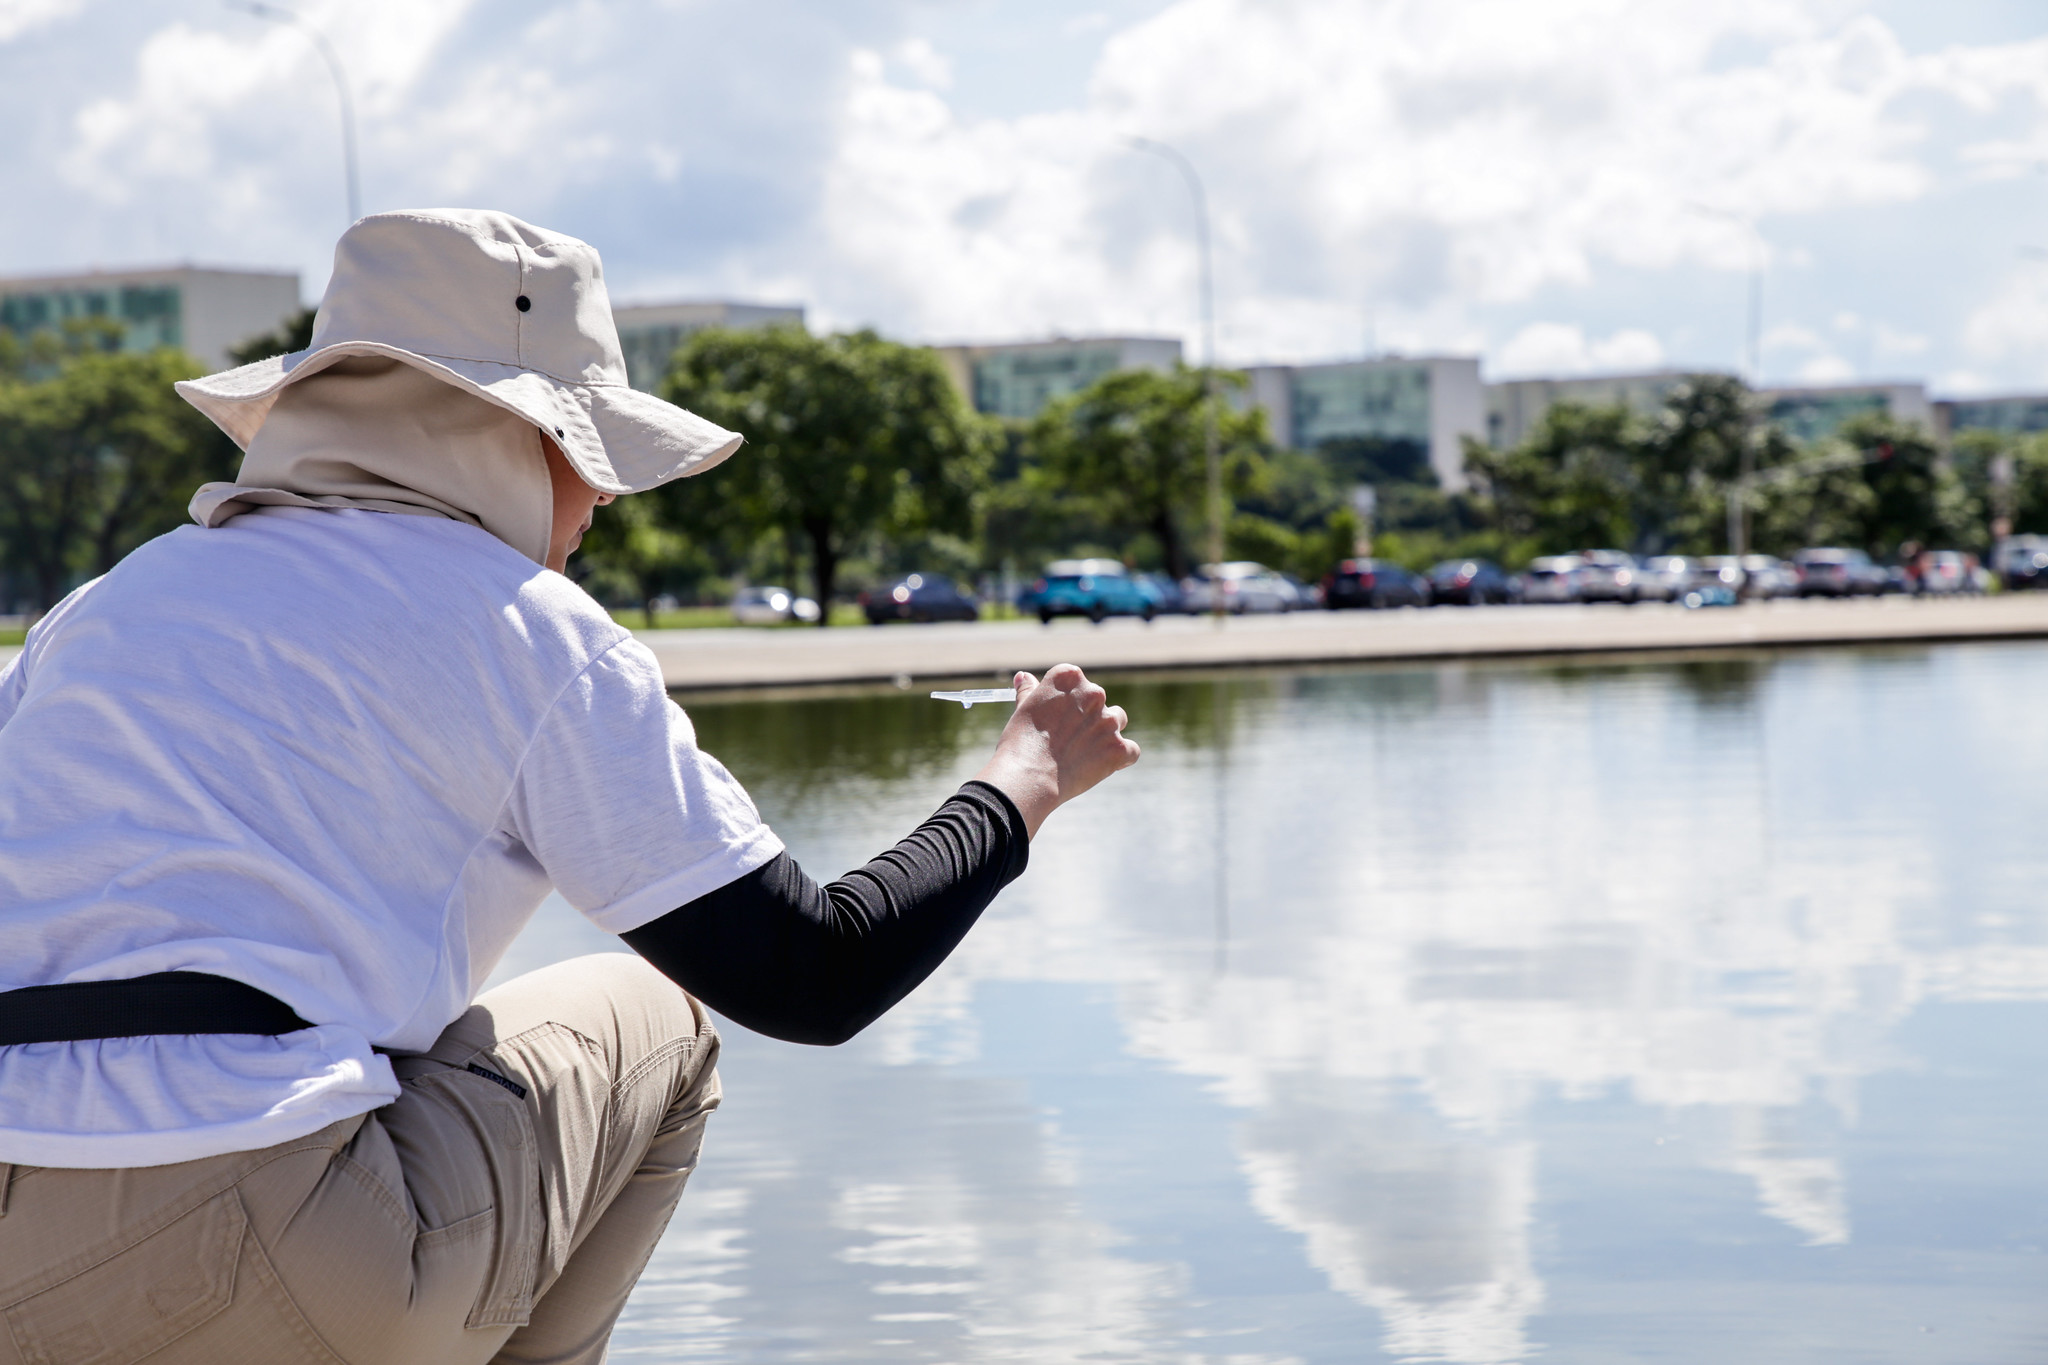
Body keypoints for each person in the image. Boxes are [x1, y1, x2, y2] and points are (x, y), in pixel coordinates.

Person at [0, 209, 1139, 1365]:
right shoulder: (520, 628)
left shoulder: (102, 607)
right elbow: (814, 974)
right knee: (659, 1026)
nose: (599, 507)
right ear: (518, 440)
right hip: (263, 1244)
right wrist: (1023, 778)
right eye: (589, 457)